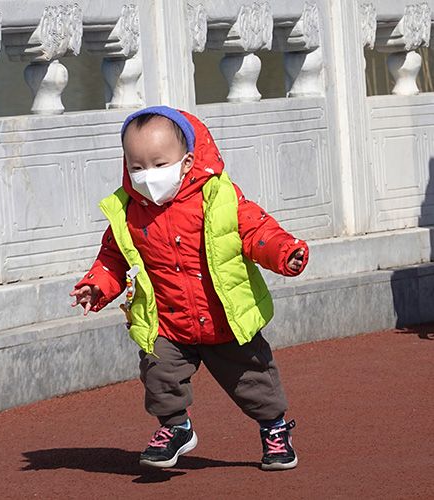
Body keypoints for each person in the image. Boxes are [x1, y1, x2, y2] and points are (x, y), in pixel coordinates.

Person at [69, 105, 308, 471]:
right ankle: (176, 427)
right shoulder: (129, 213)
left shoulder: (219, 197)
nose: (148, 176)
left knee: (254, 380)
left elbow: (258, 231)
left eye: (159, 164)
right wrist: (96, 287)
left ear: (187, 162)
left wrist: (284, 252)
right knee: (158, 372)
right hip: (169, 321)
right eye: (137, 167)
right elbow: (113, 259)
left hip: (224, 319)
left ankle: (274, 428)